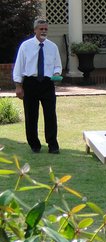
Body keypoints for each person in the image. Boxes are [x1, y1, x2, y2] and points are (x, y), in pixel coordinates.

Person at [13, 19, 62, 154]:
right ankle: (34, 144)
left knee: (50, 114)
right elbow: (19, 67)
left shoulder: (52, 47)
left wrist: (56, 73)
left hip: (47, 83)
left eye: (46, 29)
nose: (44, 31)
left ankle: (53, 144)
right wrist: (18, 86)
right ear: (35, 30)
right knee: (31, 115)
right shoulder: (25, 46)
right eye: (41, 29)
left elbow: (57, 65)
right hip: (30, 83)